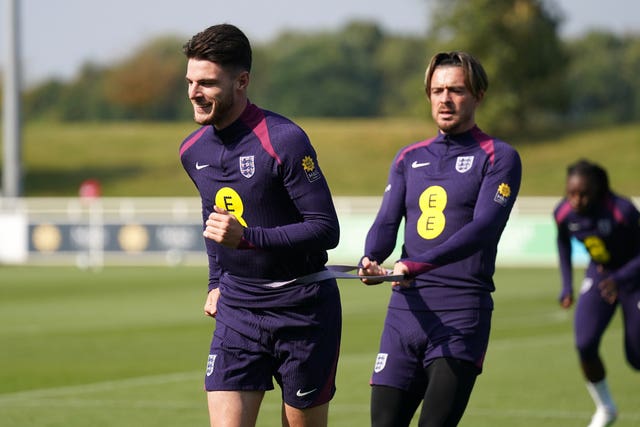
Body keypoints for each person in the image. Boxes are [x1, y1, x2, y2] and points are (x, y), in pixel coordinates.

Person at [179, 24, 342, 427]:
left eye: (207, 83)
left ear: (242, 81)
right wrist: (216, 281)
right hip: (238, 308)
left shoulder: (284, 140)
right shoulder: (192, 150)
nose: (194, 93)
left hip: (302, 309)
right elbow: (213, 222)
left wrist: (248, 238)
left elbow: (326, 229)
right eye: (190, 81)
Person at [358, 51, 522, 427]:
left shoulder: (499, 157)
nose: (445, 99)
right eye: (437, 90)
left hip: (461, 313)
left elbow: (484, 227)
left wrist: (417, 264)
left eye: (456, 90)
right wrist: (371, 258)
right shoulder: (407, 157)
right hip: (405, 313)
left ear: (478, 95)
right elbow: (386, 222)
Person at [553, 159, 640, 427]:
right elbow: (563, 242)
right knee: (584, 343)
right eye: (571, 193)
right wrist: (567, 285)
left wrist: (621, 278)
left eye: (583, 194)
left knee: (636, 358)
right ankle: (606, 408)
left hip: (634, 277)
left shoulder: (622, 211)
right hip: (601, 276)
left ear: (599, 190)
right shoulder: (563, 213)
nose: (576, 200)